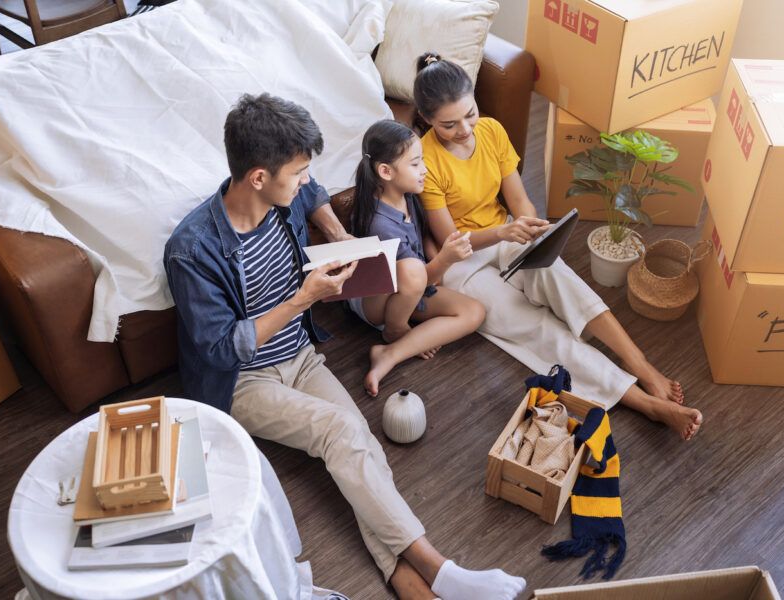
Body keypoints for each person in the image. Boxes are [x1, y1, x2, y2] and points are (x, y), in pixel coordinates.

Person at [164, 93, 525, 600]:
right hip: (241, 382)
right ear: (258, 178)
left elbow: (312, 197)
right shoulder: (192, 250)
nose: (308, 180)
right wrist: (302, 298)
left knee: (358, 444)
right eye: (298, 172)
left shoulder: (284, 196)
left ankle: (405, 581)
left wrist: (336, 233)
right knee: (342, 430)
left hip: (300, 356)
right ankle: (441, 571)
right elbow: (222, 351)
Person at [413, 54, 703, 440]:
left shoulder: (492, 131)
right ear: (427, 119)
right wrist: (503, 234)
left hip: (505, 231)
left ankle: (642, 366)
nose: (465, 129)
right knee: (537, 328)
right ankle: (643, 402)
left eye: (470, 114)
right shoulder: (425, 160)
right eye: (449, 124)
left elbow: (519, 201)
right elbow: (453, 242)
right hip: (464, 263)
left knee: (560, 278)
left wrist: (529, 226)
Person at [349, 119, 485, 396]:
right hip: (375, 303)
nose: (424, 170)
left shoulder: (407, 194)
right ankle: (396, 331)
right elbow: (417, 278)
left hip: (408, 289)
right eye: (415, 164)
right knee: (412, 271)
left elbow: (422, 244)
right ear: (385, 171)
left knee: (474, 312)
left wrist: (438, 260)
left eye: (421, 161)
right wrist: (445, 259)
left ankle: (390, 353)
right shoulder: (381, 225)